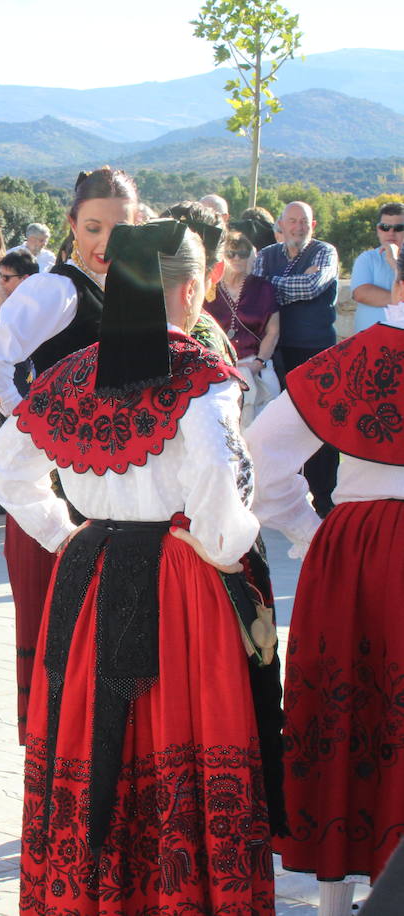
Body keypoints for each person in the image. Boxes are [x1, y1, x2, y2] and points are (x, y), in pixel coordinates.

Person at [0, 219, 274, 916]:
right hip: (179, 582)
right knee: (182, 733)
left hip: (89, 579)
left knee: (90, 732)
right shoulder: (204, 379)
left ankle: (92, 896)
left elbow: (4, 470)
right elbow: (216, 487)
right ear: (191, 289)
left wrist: (68, 536)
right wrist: (226, 545)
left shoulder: (69, 375)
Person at [246, 249, 404, 916]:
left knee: (348, 717)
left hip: (360, 552)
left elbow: (260, 453)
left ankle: (337, 901)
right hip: (365, 549)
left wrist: (309, 532)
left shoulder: (355, 357)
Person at [0, 167, 139, 744]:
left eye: (121, 227)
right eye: (93, 227)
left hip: (113, 490)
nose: (105, 242)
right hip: (52, 499)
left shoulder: (134, 288)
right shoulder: (55, 288)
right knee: (60, 641)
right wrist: (39, 427)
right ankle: (57, 788)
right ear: (71, 225)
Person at [252, 201, 341, 515]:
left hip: (316, 352)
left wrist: (272, 287)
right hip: (276, 352)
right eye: (292, 221)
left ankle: (324, 498)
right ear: (281, 225)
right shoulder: (266, 255)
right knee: (278, 423)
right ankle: (279, 497)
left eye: (304, 222)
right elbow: (255, 290)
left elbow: (313, 285)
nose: (298, 227)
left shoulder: (324, 252)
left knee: (320, 426)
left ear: (312, 225)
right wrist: (277, 287)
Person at [207, 230, 280, 428]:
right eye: (231, 253)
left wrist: (258, 363)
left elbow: (273, 332)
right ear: (222, 256)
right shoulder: (209, 289)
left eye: (243, 252)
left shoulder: (263, 288)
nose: (238, 257)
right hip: (219, 369)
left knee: (264, 431)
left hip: (257, 366)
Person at [348, 201, 403, 333]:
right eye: (385, 227)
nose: (391, 232)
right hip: (370, 345)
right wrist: (400, 301)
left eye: (398, 228)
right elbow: (361, 294)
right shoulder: (367, 259)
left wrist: (394, 262)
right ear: (378, 230)